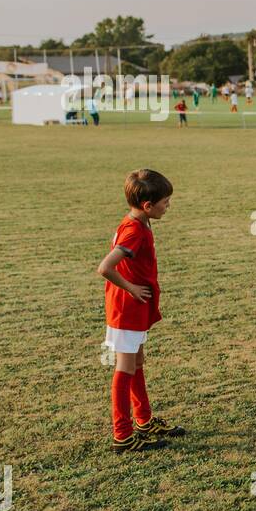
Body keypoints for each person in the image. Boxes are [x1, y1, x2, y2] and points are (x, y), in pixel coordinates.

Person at [96, 169, 188, 453]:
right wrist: (131, 288)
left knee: (136, 363)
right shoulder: (134, 230)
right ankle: (122, 436)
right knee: (124, 369)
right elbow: (105, 267)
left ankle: (144, 421)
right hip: (126, 309)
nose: (168, 206)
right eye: (165, 202)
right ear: (148, 205)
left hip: (134, 309)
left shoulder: (139, 220)